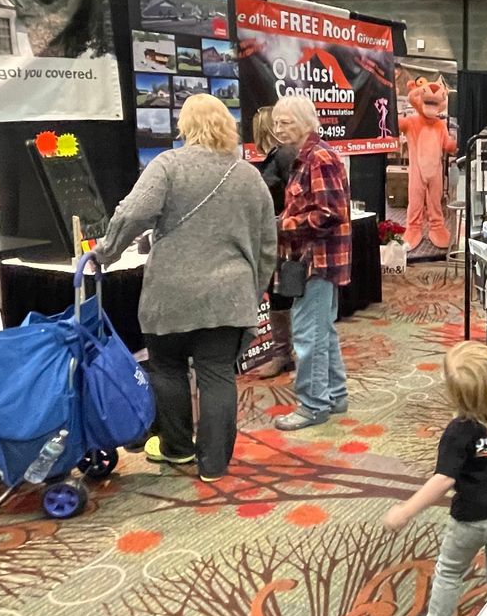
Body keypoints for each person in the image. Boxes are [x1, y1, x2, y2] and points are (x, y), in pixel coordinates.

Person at [95, 94, 276, 481]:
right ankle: (214, 464)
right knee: (217, 374)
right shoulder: (250, 176)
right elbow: (267, 245)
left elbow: (132, 213)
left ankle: (177, 448)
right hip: (228, 296)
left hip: (170, 294)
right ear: (227, 127)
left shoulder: (167, 166)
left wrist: (106, 252)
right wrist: (252, 290)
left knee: (167, 369)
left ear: (185, 127)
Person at [383, 340, 487, 616]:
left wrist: (405, 511)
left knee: (449, 571)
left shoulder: (459, 432)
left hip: (472, 518)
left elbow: (443, 480)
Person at [274, 94, 352, 430]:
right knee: (322, 332)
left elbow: (330, 214)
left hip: (317, 261)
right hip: (312, 260)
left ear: (306, 123)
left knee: (309, 336)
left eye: (286, 122)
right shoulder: (306, 157)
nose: (278, 129)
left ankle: (313, 405)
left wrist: (282, 226)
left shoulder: (318, 157)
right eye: (276, 123)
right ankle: (334, 395)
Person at [244, 104, 296, 380]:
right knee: (278, 294)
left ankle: (283, 354)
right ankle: (283, 353)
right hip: (274, 235)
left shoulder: (284, 155)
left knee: (282, 293)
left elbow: (295, 196)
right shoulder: (276, 156)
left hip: (284, 237)